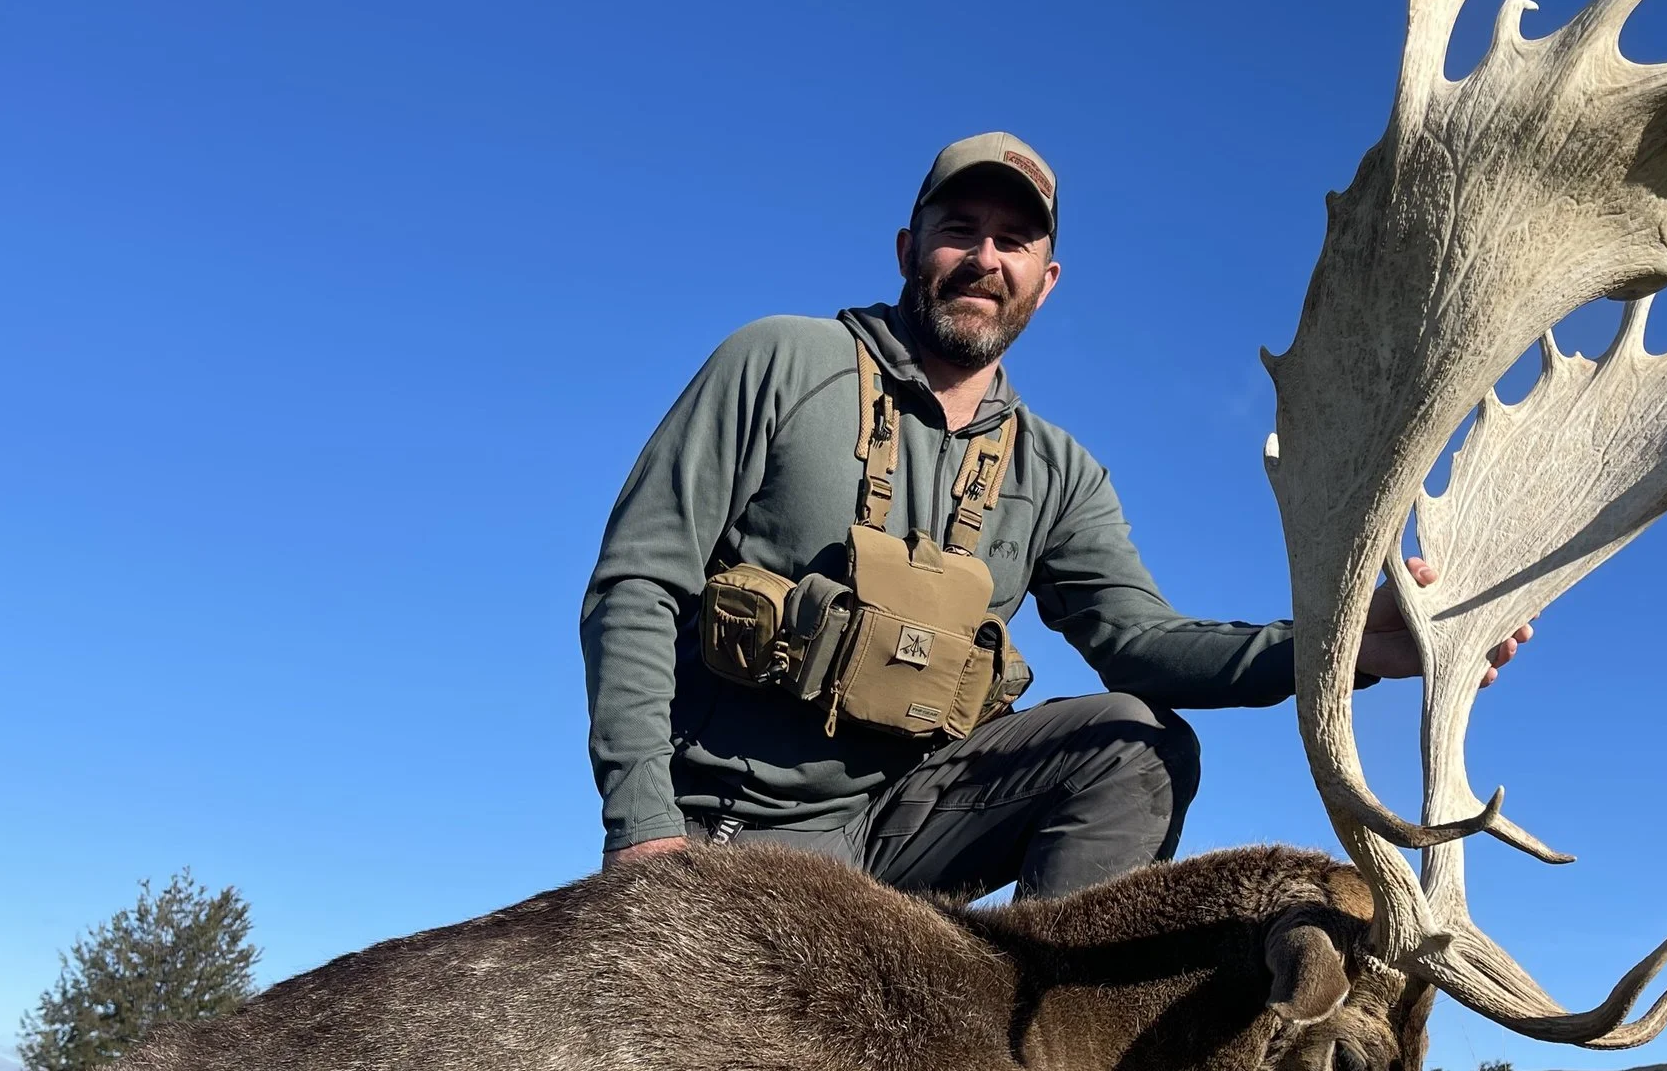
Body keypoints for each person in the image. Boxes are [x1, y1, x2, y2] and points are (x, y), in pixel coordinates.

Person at [580, 132, 1528, 898]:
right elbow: (637, 583)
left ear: (1047, 279)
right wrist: (645, 828)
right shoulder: (778, 363)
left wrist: (1352, 642)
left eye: (1014, 242)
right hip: (730, 836)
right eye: (960, 228)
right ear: (910, 248)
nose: (984, 259)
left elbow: (1146, 644)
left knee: (1140, 743)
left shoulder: (1058, 471)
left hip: (900, 832)